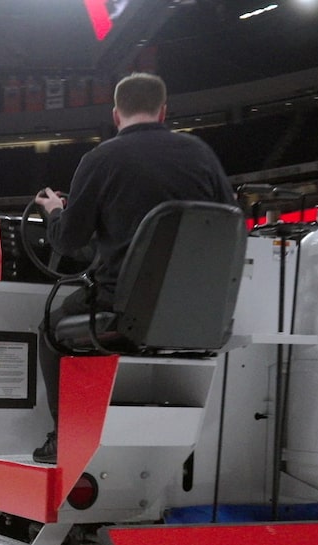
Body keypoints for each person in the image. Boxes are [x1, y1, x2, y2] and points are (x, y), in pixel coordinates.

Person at [32, 72, 236, 464]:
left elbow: (69, 241)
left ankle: (66, 439)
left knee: (50, 330)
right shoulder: (200, 154)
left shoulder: (101, 158)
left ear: (115, 115)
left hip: (126, 308)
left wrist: (57, 212)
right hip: (201, 310)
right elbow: (228, 220)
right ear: (163, 112)